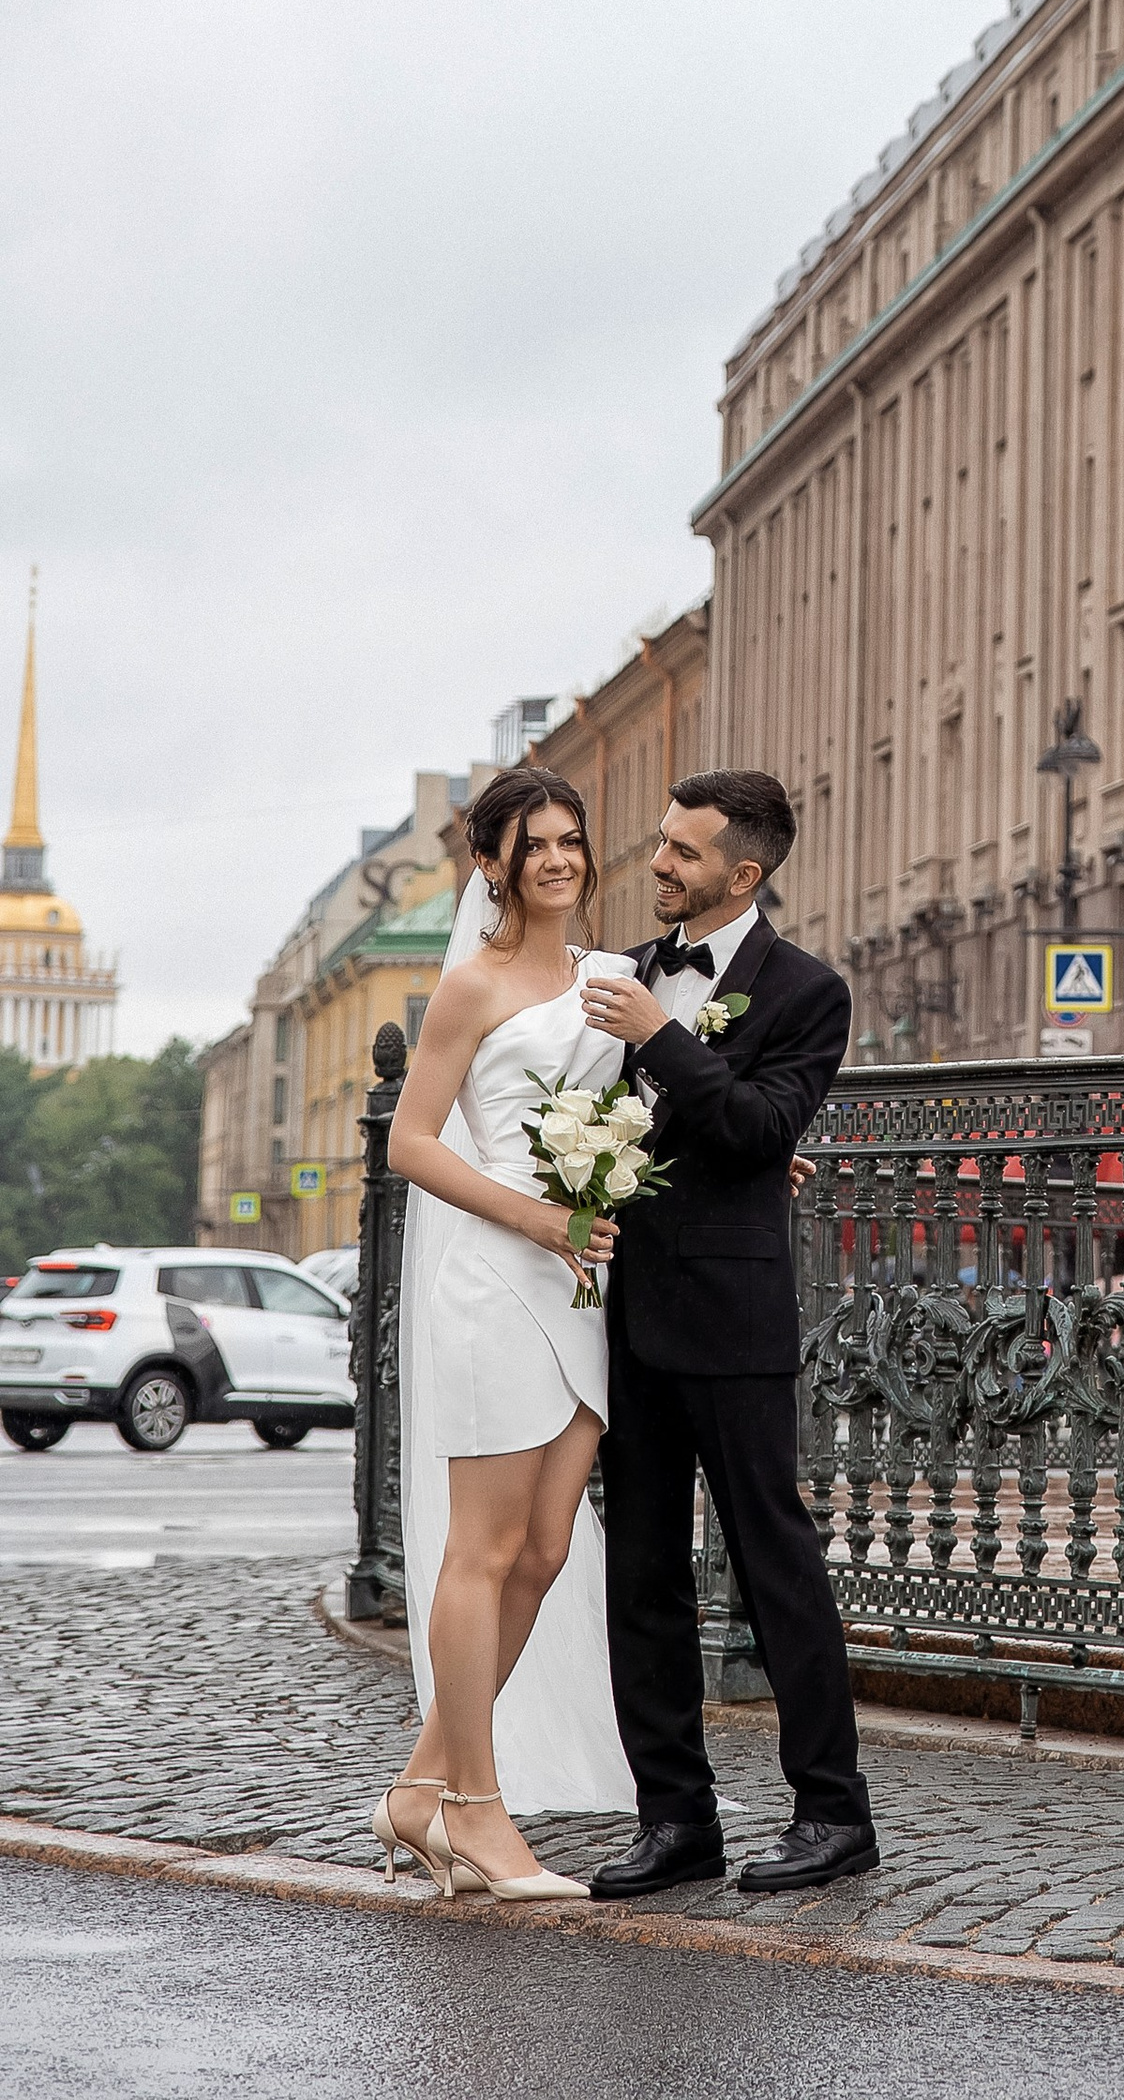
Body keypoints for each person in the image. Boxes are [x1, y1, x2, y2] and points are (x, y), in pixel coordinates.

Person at [576, 767, 878, 1900]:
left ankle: (834, 1816)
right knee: (642, 1575)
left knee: (773, 1566)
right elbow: (608, 1125)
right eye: (661, 844)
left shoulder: (808, 992)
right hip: (629, 1313)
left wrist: (663, 1036)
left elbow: (757, 1124)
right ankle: (674, 1821)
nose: (658, 863)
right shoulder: (626, 975)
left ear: (741, 874)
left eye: (683, 852)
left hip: (735, 1318)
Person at [377, 764, 631, 1897]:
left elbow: (658, 1096)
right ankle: (478, 1813)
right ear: (495, 865)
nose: (560, 861)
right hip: (493, 1276)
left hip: (580, 1292)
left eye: (571, 841)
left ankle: (421, 1790)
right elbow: (413, 1143)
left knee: (544, 1549)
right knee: (480, 1553)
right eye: (536, 846)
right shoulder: (471, 988)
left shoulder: (611, 980)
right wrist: (538, 1214)